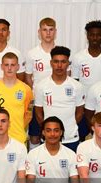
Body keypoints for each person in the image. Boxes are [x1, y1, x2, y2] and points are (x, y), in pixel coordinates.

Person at [34, 46, 84, 152]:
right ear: (51, 63)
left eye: (63, 62)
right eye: (56, 61)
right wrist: (48, 130)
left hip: (70, 138)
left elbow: (80, 112)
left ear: (68, 63)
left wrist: (69, 126)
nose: (59, 65)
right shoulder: (41, 86)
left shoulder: (77, 86)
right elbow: (38, 112)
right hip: (49, 139)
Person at [71, 20, 101, 142]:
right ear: (87, 36)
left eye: (98, 35)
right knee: (81, 136)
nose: (95, 38)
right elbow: (74, 82)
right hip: (83, 105)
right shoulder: (78, 57)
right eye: (92, 34)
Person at [0, 52, 33, 144]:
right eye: (6, 65)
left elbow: (28, 114)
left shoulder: (26, 90)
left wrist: (18, 127)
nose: (9, 68)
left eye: (13, 65)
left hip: (19, 139)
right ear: (2, 66)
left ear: (18, 67)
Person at [25, 17, 57, 150]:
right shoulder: (32, 53)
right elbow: (27, 77)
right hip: (38, 101)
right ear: (39, 32)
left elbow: (69, 75)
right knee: (35, 136)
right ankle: (35, 164)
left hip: (56, 100)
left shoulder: (60, 52)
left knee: (54, 134)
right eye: (45, 30)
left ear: (55, 31)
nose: (48, 33)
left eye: (51, 30)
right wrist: (35, 93)